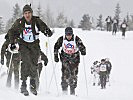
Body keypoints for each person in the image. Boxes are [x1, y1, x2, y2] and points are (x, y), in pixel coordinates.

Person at [8, 4, 53, 96]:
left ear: (31, 13)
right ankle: (23, 85)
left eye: (29, 13)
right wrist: (12, 43)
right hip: (23, 44)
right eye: (25, 13)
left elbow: (45, 28)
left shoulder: (36, 21)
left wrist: (47, 32)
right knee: (25, 61)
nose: (27, 15)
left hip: (34, 44)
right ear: (23, 14)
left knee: (34, 63)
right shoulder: (19, 22)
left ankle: (32, 85)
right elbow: (11, 31)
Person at [54, 27, 86, 95]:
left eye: (70, 34)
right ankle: (64, 92)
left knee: (73, 75)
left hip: (74, 59)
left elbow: (82, 46)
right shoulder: (61, 39)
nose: (68, 36)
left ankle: (72, 92)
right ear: (65, 34)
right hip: (65, 58)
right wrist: (56, 56)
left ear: (72, 34)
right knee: (65, 74)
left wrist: (83, 50)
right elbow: (56, 47)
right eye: (67, 35)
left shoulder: (76, 39)